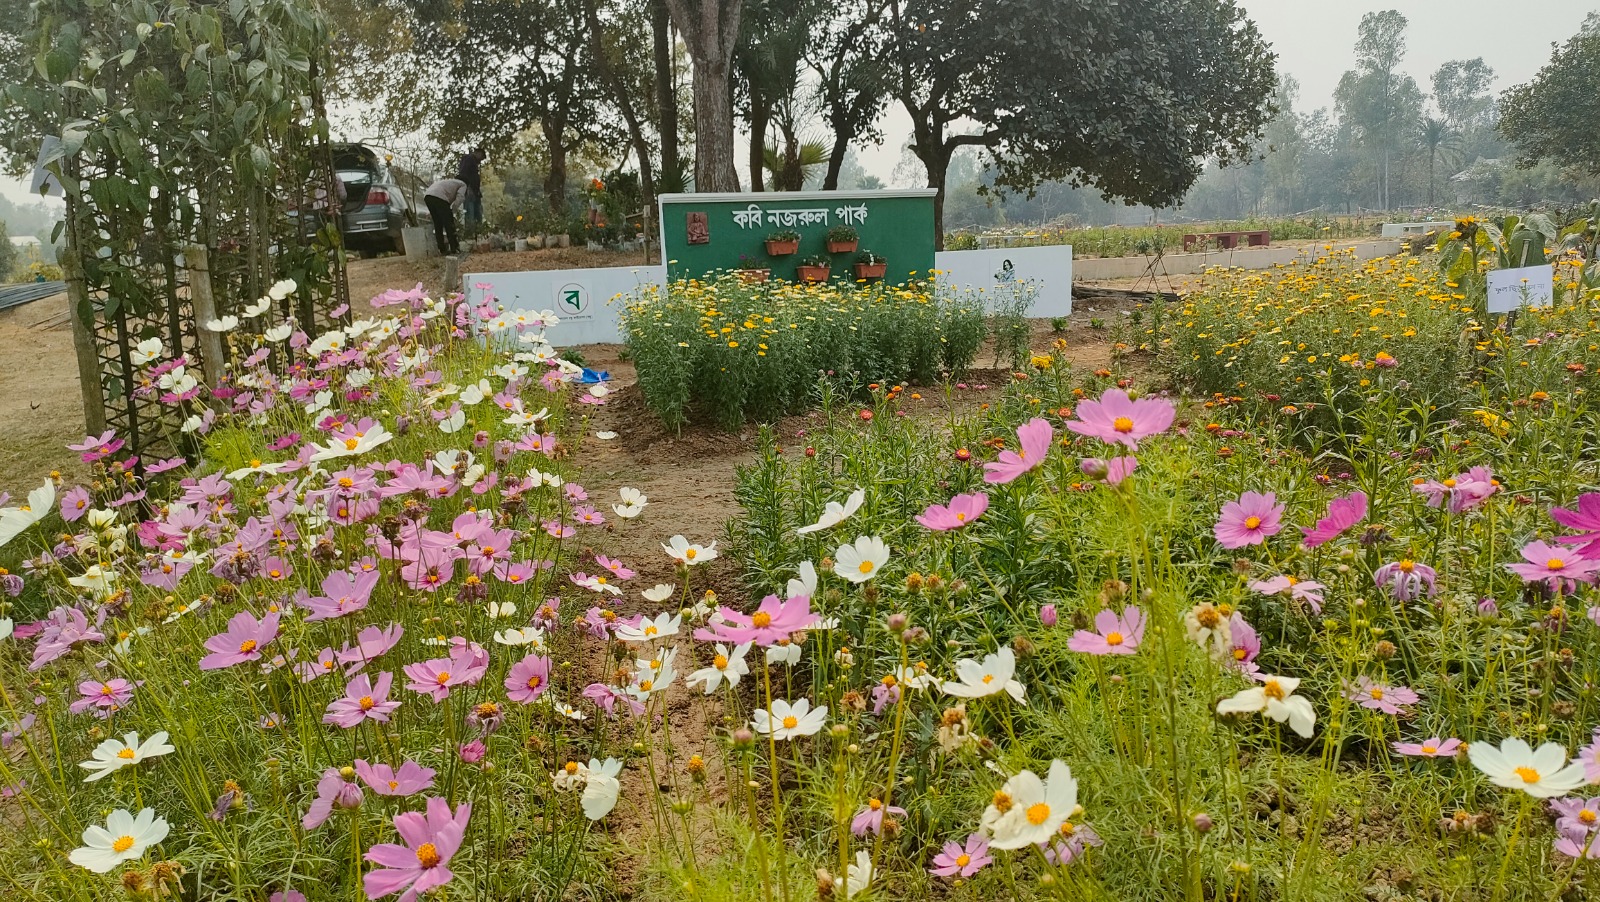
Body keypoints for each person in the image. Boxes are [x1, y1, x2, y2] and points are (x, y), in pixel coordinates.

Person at [423, 177, 468, 256]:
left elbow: (445, 202)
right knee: (449, 224)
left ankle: (442, 249)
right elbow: (460, 197)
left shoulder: (450, 182)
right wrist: (453, 210)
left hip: (428, 195)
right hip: (439, 196)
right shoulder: (463, 184)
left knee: (438, 224)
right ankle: (454, 248)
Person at [457, 147, 485, 229]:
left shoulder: (473, 162)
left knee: (477, 214)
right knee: (470, 214)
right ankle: (471, 232)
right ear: (478, 153)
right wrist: (468, 188)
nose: (480, 161)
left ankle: (478, 231)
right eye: (481, 158)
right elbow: (463, 175)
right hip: (470, 191)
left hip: (475, 191)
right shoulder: (468, 159)